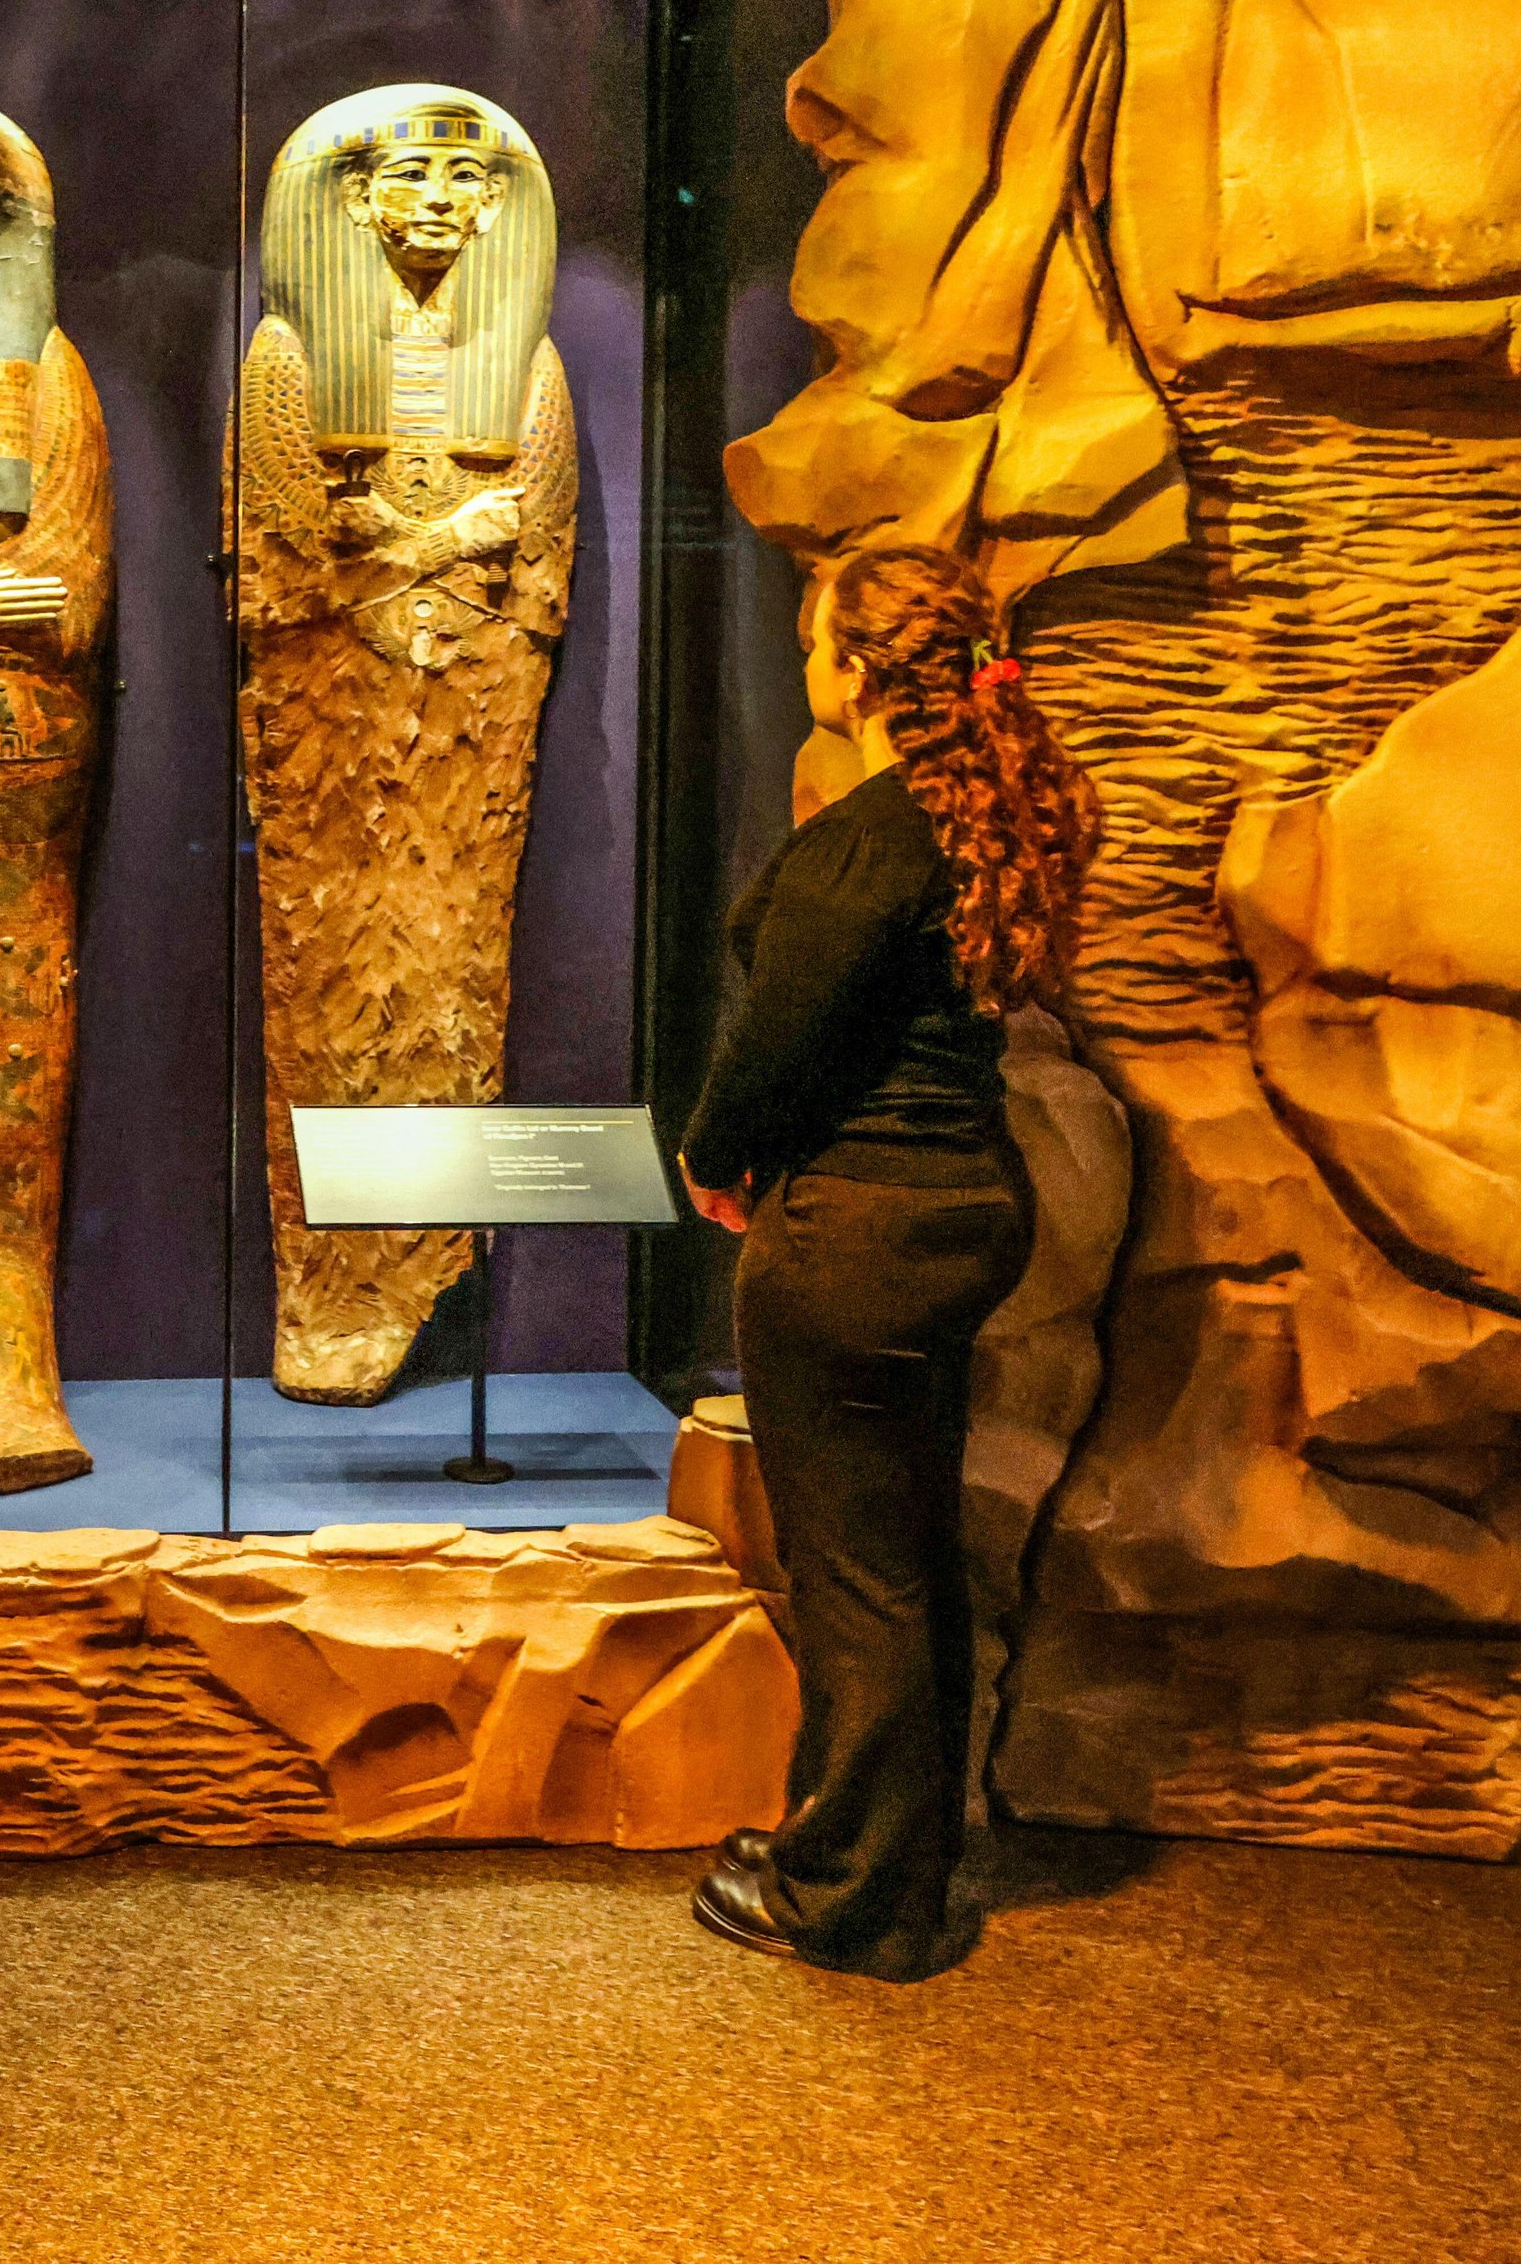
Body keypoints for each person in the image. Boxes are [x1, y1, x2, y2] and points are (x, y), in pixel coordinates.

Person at [672, 544, 1101, 1980]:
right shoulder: (975, 817)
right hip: (961, 1212)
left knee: (858, 1574)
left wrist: (717, 1154)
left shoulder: (865, 840)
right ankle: (886, 1853)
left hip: (851, 1232)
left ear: (853, 668)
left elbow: (776, 1045)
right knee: (908, 1551)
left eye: (812, 639)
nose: (806, 662)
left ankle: (850, 1896)